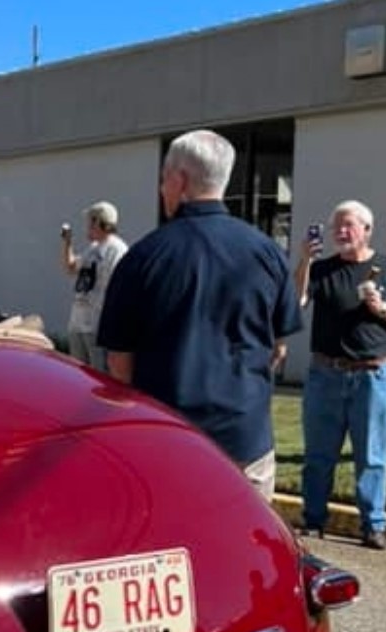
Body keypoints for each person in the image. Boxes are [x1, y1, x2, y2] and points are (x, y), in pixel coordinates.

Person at [96, 129, 302, 500]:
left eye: (163, 179)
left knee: (175, 551)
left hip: (167, 442)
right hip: (246, 440)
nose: (162, 189)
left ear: (180, 180)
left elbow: (118, 361)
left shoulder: (143, 257)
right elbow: (278, 350)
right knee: (245, 551)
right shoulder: (268, 254)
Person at [294, 200, 386, 550]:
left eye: (348, 225)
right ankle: (313, 519)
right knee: (319, 454)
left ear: (367, 229)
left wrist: (380, 308)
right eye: (336, 225)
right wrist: (305, 259)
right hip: (325, 374)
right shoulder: (323, 269)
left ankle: (373, 524)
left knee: (372, 456)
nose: (340, 231)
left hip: (372, 376)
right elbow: (297, 301)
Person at [60, 201, 128, 371]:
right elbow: (71, 267)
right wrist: (67, 243)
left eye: (90, 221)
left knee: (99, 379)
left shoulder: (117, 250)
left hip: (97, 327)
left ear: (99, 222)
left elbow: (119, 291)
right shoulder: (93, 248)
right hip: (78, 324)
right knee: (77, 377)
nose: (87, 226)